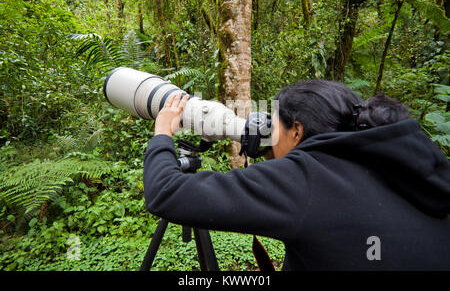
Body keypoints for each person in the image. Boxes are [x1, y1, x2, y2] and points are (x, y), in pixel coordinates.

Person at [143, 80, 450, 270]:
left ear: (297, 131)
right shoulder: (404, 161)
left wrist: (162, 133)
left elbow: (166, 192)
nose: (267, 136)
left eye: (272, 128)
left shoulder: (307, 179)